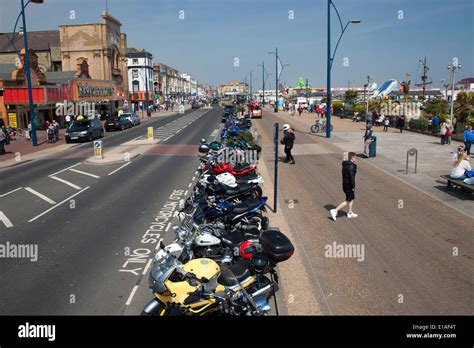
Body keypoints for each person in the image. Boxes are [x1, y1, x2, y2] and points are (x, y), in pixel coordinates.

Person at [330, 152, 358, 220]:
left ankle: (350, 213)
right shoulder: (351, 166)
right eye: (355, 157)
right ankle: (335, 211)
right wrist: (353, 186)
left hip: (345, 184)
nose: (356, 158)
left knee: (351, 198)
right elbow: (352, 178)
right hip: (349, 185)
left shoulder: (345, 164)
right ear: (352, 158)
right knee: (348, 200)